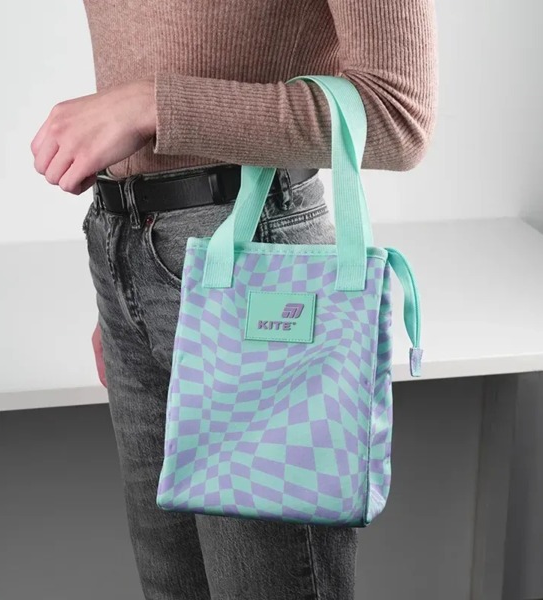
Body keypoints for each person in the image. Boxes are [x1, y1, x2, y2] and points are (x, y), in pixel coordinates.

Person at [30, 1, 438, 597]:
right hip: (128, 251)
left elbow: (398, 115)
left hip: (256, 263)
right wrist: (131, 292)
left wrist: (153, 105)